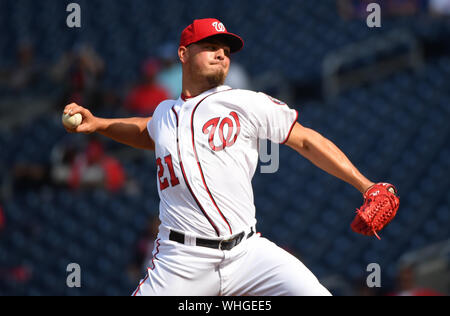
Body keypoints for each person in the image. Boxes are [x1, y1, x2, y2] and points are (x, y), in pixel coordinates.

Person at [63, 18, 384, 296]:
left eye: (226, 50)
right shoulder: (165, 113)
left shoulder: (246, 103)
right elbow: (147, 131)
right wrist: (100, 124)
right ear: (183, 54)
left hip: (247, 252)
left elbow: (306, 140)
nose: (221, 54)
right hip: (181, 259)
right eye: (210, 46)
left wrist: (366, 185)